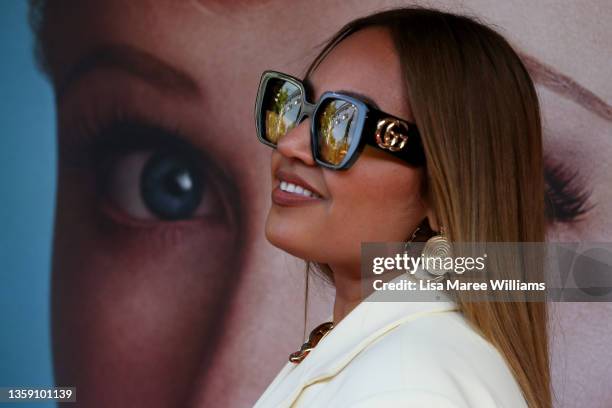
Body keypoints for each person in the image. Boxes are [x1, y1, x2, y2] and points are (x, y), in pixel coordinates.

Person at [253, 8, 550, 407]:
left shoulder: (406, 382)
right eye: (299, 108)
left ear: (442, 191)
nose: (289, 144)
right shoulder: (397, 360)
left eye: (344, 124)